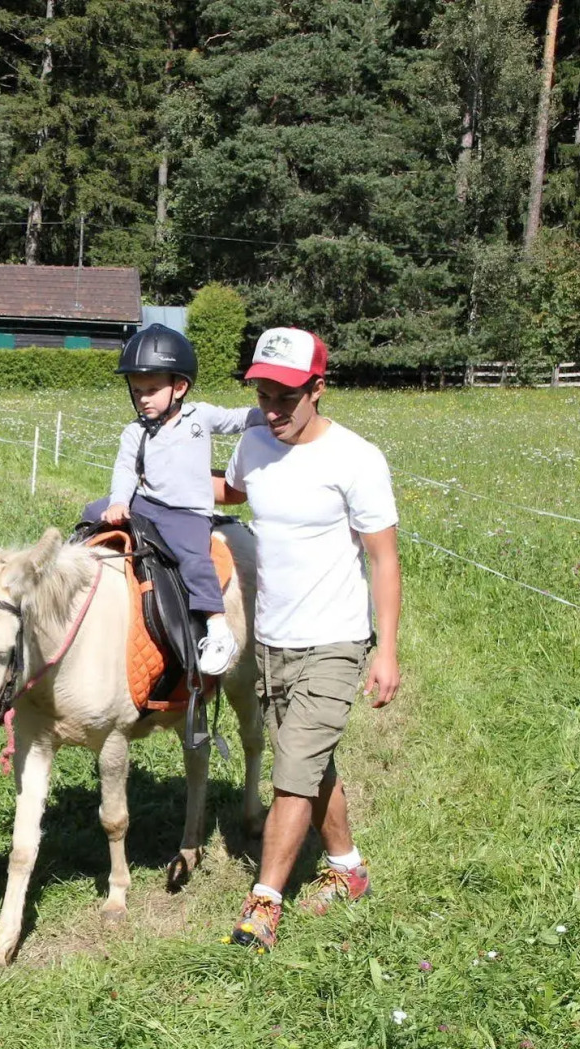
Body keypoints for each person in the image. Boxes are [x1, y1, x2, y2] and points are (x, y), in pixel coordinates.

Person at [217, 326, 401, 952]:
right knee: (312, 763)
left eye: (285, 397)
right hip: (271, 640)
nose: (272, 409)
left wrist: (387, 650)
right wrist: (155, 484)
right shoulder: (255, 444)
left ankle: (263, 904)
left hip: (335, 640)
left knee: (291, 773)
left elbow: (384, 558)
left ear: (318, 389)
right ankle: (349, 870)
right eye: (263, 394)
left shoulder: (357, 459)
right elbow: (233, 490)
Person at [84, 324, 262, 675]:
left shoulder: (201, 416)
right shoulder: (134, 431)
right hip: (147, 503)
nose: (143, 399)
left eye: (151, 390)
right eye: (137, 392)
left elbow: (237, 419)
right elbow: (124, 470)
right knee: (92, 512)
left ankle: (217, 627)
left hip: (187, 513)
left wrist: (269, 416)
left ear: (179, 387)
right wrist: (119, 501)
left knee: (194, 559)